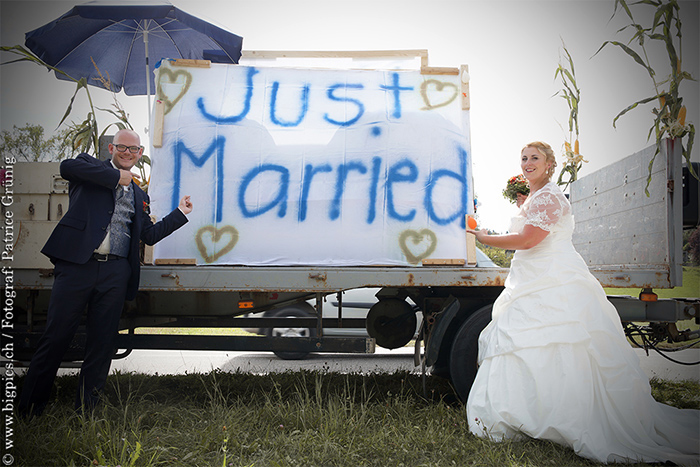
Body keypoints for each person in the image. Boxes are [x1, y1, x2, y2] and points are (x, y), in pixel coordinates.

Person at [465, 141, 699, 465]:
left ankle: (563, 414)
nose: (528, 162)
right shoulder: (534, 197)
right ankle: (532, 412)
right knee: (531, 343)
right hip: (533, 277)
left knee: (559, 341)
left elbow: (529, 240)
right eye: (524, 158)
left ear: (549, 164)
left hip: (553, 280)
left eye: (535, 158)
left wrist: (483, 238)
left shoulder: (549, 197)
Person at [18, 129, 193, 417]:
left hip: (115, 272)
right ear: (111, 148)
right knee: (56, 338)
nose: (128, 153)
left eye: (134, 149)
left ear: (140, 154)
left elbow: (147, 235)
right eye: (122, 147)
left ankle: (87, 412)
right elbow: (66, 167)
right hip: (77, 267)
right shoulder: (90, 168)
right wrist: (116, 177)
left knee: (102, 345)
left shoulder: (139, 194)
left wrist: (179, 214)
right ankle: (29, 411)